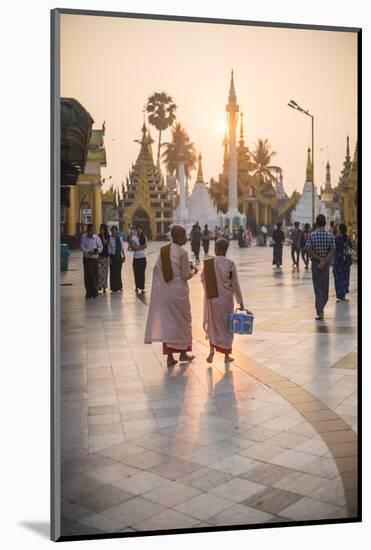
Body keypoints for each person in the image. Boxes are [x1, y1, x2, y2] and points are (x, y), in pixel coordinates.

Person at [144, 225, 198, 367]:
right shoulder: (182, 252)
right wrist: (195, 271)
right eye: (184, 235)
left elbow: (156, 269)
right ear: (178, 237)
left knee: (169, 323)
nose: (186, 238)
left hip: (167, 291)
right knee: (183, 323)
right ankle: (183, 354)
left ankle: (170, 357)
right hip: (179, 291)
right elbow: (186, 275)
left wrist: (164, 283)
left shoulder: (164, 251)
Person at [201, 238, 244, 364]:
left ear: (216, 249)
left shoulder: (209, 262)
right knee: (226, 328)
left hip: (213, 300)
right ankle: (226, 356)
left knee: (213, 326)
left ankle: (211, 351)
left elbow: (203, 278)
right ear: (226, 250)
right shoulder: (230, 264)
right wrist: (240, 301)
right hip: (226, 301)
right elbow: (235, 284)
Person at [306, 214, 336, 320]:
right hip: (326, 264)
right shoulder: (330, 235)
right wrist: (325, 260)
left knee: (317, 287)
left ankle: (320, 309)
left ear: (317, 223)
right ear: (325, 223)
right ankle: (321, 307)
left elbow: (308, 250)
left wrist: (319, 259)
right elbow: (333, 249)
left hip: (315, 263)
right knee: (324, 286)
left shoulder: (312, 235)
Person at [80, 224, 103, 299]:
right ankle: (90, 292)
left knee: (94, 275)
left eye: (93, 230)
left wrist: (97, 251)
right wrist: (88, 251)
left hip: (94, 259)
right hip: (87, 259)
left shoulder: (96, 238)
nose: (91, 232)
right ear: (87, 230)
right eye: (90, 230)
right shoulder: (84, 237)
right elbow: (82, 246)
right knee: (88, 276)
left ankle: (94, 291)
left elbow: (101, 247)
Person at [333, 223, 353, 302]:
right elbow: (351, 248)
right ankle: (343, 295)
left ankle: (339, 295)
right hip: (346, 261)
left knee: (338, 277)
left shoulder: (337, 239)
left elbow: (333, 249)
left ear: (340, 230)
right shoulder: (347, 238)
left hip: (338, 260)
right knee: (345, 277)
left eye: (338, 228)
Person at [108, 225, 125, 292]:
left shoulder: (119, 238)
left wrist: (124, 255)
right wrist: (109, 259)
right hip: (112, 257)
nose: (113, 232)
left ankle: (119, 286)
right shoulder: (110, 239)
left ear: (116, 231)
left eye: (115, 230)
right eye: (112, 230)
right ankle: (113, 287)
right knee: (113, 272)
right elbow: (109, 249)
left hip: (118, 256)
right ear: (111, 231)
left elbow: (122, 248)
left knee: (118, 272)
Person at [131, 224, 147, 294]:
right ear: (136, 230)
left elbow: (145, 246)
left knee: (142, 273)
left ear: (142, 230)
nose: (139, 230)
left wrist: (138, 247)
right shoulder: (134, 238)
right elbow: (133, 247)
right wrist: (140, 247)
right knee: (136, 273)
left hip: (142, 258)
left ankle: (142, 288)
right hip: (136, 258)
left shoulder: (144, 237)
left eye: (140, 229)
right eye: (137, 229)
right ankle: (137, 287)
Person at [98, 223, 110, 293]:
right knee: (99, 272)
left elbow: (105, 243)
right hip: (99, 256)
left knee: (105, 273)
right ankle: (99, 286)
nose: (102, 230)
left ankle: (104, 287)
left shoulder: (107, 236)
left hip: (105, 256)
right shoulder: (97, 236)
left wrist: (102, 235)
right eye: (101, 229)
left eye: (103, 229)